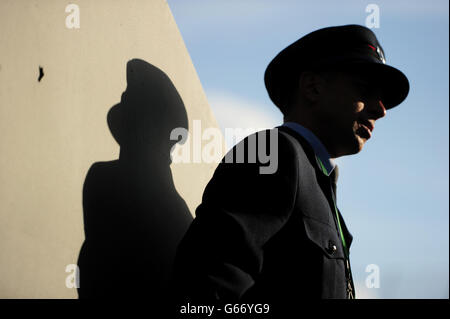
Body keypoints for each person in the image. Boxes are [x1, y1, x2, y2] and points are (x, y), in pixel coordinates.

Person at [172, 24, 409, 311]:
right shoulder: (272, 153)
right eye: (364, 89)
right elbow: (205, 293)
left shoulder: (317, 180)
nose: (381, 110)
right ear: (312, 87)